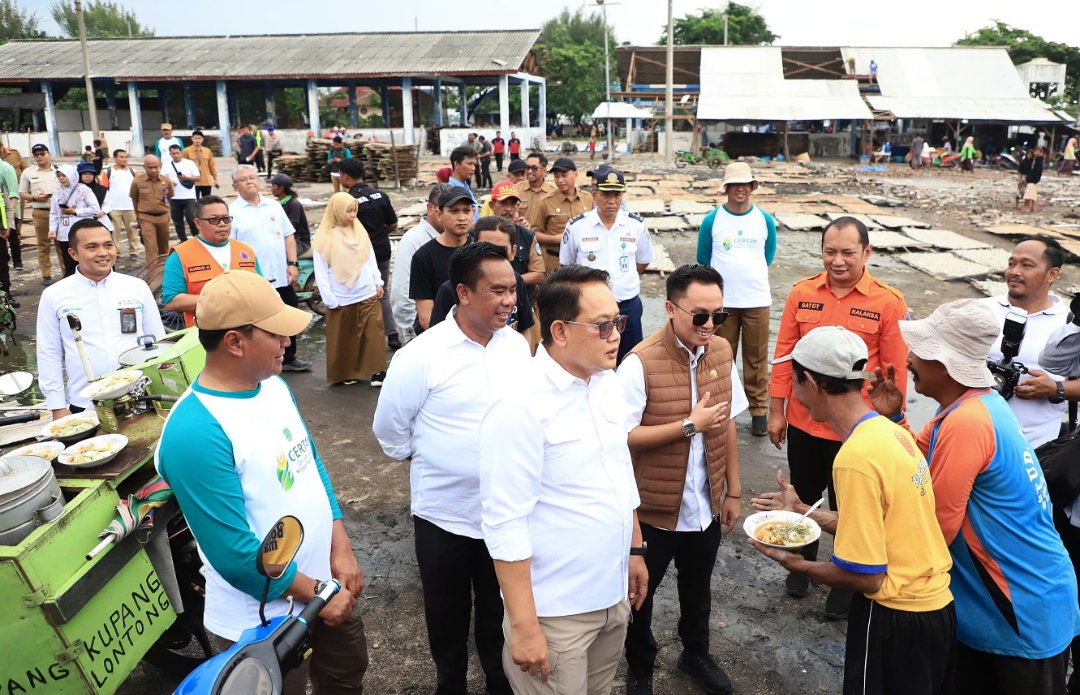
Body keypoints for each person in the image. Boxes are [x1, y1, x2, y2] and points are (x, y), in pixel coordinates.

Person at [156, 271, 368, 695]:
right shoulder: (196, 431)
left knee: (346, 676)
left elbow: (310, 465)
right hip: (263, 620)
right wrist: (318, 593)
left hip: (325, 586)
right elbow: (236, 555)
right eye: (276, 334)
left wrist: (340, 547)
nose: (288, 341)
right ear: (235, 342)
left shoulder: (273, 387)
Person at [868, 298, 1080, 695]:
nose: (909, 359)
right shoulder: (969, 405)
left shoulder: (967, 422)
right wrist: (894, 417)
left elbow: (934, 530)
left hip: (1020, 606)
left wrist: (853, 544)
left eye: (920, 351)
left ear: (946, 364)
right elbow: (914, 460)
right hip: (997, 605)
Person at [751, 325, 956, 695]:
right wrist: (802, 511)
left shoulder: (855, 459)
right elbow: (882, 525)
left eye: (793, 380)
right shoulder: (891, 431)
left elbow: (865, 577)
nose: (793, 392)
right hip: (935, 609)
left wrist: (795, 564)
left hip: (894, 616)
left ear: (810, 381)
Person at [478, 265, 647, 695]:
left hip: (611, 595)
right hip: (555, 613)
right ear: (560, 330)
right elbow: (504, 521)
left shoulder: (607, 382)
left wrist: (634, 550)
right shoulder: (519, 405)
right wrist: (524, 627)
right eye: (603, 325)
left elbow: (619, 472)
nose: (616, 335)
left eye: (619, 322)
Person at [373, 241, 530, 695]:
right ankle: (451, 681)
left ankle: (499, 678)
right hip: (444, 515)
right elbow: (390, 432)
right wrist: (439, 458)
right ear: (463, 292)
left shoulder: (516, 348)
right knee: (446, 612)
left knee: (499, 607)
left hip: (505, 511)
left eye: (513, 290)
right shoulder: (421, 356)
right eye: (497, 291)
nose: (510, 300)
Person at [767, 216, 909, 617]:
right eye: (830, 252)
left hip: (854, 431)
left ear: (867, 252)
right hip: (804, 421)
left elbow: (895, 374)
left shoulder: (888, 302)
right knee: (803, 494)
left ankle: (845, 581)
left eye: (848, 252)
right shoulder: (802, 293)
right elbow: (784, 356)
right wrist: (776, 411)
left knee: (851, 506)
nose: (838, 260)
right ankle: (801, 561)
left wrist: (893, 425)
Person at [619, 264, 745, 695]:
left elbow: (727, 422)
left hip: (704, 503)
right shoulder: (639, 363)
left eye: (719, 315)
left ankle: (695, 654)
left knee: (698, 588)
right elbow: (623, 437)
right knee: (640, 593)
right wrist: (688, 426)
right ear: (671, 308)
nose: (710, 325)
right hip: (653, 510)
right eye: (700, 315)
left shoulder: (721, 351)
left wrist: (733, 491)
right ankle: (640, 667)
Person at [37, 219, 164, 419]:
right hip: (85, 404)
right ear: (73, 254)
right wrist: (57, 406)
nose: (103, 253)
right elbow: (48, 352)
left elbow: (158, 342)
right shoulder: (54, 295)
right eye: (92, 247)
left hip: (140, 398)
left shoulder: (136, 287)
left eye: (108, 245)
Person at [698, 162, 777, 437]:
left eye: (745, 184)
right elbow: (703, 258)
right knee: (721, 357)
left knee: (757, 359)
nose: (740, 189)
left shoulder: (765, 220)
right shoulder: (712, 220)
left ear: (752, 187)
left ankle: (758, 412)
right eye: (735, 185)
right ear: (727, 188)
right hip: (723, 304)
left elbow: (768, 255)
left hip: (757, 300)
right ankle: (721, 409)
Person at [981, 236, 1073, 448]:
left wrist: (1056, 388)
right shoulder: (978, 309)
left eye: (1026, 265)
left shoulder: (1069, 326)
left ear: (1052, 274)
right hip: (972, 436)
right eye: (1011, 263)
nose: (1014, 271)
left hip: (1034, 447)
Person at [560, 167, 655, 363]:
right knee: (591, 360)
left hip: (627, 306)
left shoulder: (636, 226)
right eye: (606, 195)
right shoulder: (577, 227)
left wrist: (624, 280)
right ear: (595, 195)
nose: (612, 201)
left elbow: (643, 260)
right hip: (590, 308)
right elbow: (566, 266)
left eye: (617, 195)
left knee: (631, 360)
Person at [229, 164, 310, 372]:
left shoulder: (273, 206)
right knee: (261, 322)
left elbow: (288, 236)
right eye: (243, 179)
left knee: (289, 311)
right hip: (255, 280)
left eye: (252, 177)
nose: (249, 181)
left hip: (281, 276)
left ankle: (288, 357)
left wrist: (292, 264)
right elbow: (231, 247)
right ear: (234, 186)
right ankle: (262, 360)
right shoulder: (232, 212)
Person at [313, 192, 386, 386]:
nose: (353, 215)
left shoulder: (359, 231)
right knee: (345, 338)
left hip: (367, 291)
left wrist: (377, 282)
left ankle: (378, 371)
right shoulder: (324, 239)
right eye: (348, 211)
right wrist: (329, 299)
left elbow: (369, 258)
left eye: (354, 211)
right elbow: (321, 273)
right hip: (342, 297)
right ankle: (347, 372)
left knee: (374, 333)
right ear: (336, 212)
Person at [429, 217, 536, 343]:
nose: (508, 300)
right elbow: (436, 338)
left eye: (501, 251)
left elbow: (525, 329)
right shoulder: (450, 290)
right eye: (485, 250)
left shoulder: (517, 281)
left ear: (513, 252)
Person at [162, 195, 262, 328]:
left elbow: (263, 288)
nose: (222, 224)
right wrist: (222, 300)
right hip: (206, 334)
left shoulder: (245, 251)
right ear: (198, 223)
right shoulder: (180, 255)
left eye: (226, 218)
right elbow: (172, 301)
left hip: (249, 330)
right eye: (214, 219)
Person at [339, 159, 400, 349]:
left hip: (359, 254)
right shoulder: (380, 195)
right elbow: (393, 224)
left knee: (361, 294)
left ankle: (367, 338)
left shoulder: (348, 201)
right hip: (382, 249)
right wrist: (379, 234)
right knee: (382, 292)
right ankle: (392, 334)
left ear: (345, 176)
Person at [391, 184, 449, 343]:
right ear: (431, 209)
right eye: (449, 210)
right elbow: (401, 291)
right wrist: (412, 330)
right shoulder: (414, 241)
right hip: (423, 333)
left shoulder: (458, 240)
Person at [409, 188, 474, 333]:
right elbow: (426, 318)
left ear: (473, 213)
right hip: (441, 337)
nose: (462, 217)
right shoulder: (424, 257)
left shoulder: (479, 251)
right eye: (454, 211)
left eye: (466, 211)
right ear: (439, 215)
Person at [487, 181, 545, 299]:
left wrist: (507, 282)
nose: (508, 209)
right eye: (503, 203)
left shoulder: (527, 236)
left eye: (513, 204)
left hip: (521, 300)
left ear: (518, 206)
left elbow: (539, 274)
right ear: (492, 205)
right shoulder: (480, 234)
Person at [536, 158, 594, 273]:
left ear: (576, 174)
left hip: (583, 261)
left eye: (564, 175)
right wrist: (556, 239)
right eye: (556, 176)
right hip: (555, 261)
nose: (560, 180)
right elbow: (534, 234)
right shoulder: (545, 202)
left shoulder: (588, 199)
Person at [50, 164, 105, 277]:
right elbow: (54, 213)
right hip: (64, 232)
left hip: (82, 231)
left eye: (64, 175)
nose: (61, 178)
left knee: (84, 258)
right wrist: (52, 229)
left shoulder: (84, 190)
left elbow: (95, 209)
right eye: (59, 176)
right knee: (69, 261)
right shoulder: (57, 192)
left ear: (71, 175)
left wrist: (75, 212)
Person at [19, 143, 62, 285]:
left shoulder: (59, 171)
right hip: (41, 212)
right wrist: (34, 197)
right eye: (36, 155)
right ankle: (46, 274)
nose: (39, 157)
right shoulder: (28, 173)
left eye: (42, 154)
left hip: (60, 212)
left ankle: (67, 272)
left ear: (48, 154)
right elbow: (22, 193)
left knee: (62, 243)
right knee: (43, 244)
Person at [130, 155, 175, 266]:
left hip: (163, 216)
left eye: (156, 167)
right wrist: (138, 217)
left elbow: (169, 196)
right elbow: (135, 199)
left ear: (160, 166)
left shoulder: (166, 181)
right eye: (150, 167)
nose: (153, 170)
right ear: (144, 167)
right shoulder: (137, 181)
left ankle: (164, 270)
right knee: (150, 247)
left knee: (164, 246)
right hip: (146, 217)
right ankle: (153, 273)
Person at [100, 149, 143, 261]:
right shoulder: (108, 172)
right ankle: (116, 252)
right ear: (115, 158)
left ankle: (134, 251)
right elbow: (103, 189)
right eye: (121, 157)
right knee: (114, 232)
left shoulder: (133, 172)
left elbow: (138, 189)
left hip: (130, 207)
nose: (124, 159)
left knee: (132, 231)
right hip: (114, 207)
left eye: (125, 157)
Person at [269, 174, 312, 256]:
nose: (271, 188)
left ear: (281, 188)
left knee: (275, 252)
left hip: (299, 242)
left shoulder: (294, 205)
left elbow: (291, 229)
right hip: (285, 238)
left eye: (273, 186)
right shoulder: (278, 203)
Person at [0, 140, 27, 269]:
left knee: (12, 235)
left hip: (9, 206)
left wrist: (13, 208)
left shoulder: (6, 167)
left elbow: (13, 190)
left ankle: (17, 261)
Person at [164, 144, 200, 242]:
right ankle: (183, 240)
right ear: (170, 154)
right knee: (177, 221)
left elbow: (198, 177)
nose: (176, 155)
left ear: (181, 152)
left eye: (177, 153)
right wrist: (170, 183)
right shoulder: (166, 165)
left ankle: (197, 239)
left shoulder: (189, 163)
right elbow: (162, 179)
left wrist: (186, 178)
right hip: (174, 197)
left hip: (189, 197)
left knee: (192, 218)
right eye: (173, 153)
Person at [515, 153, 555, 231]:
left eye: (534, 168)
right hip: (520, 236)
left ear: (544, 171)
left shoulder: (553, 193)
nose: (530, 171)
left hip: (543, 238)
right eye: (527, 168)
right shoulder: (516, 189)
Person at [0, 153, 21, 288]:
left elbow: (7, 207)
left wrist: (7, 226)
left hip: (1, 230)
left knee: (2, 264)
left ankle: (5, 294)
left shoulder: (1, 184)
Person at [182, 130, 219, 198]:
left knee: (206, 200)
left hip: (206, 180)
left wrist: (215, 179)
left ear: (202, 139)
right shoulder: (186, 151)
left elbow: (212, 166)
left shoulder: (207, 151)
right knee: (194, 200)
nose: (197, 140)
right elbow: (183, 165)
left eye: (199, 138)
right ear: (192, 139)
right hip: (193, 181)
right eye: (195, 138)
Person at [447, 145, 479, 222]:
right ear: (456, 164)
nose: (473, 168)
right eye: (469, 164)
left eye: (474, 165)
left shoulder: (466, 187)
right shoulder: (450, 191)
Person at [1022, 147, 1044, 213]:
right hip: (1031, 179)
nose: (1035, 153)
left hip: (1033, 179)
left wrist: (1034, 178)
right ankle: (1033, 207)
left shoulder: (1039, 161)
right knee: (1033, 193)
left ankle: (1027, 207)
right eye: (1035, 151)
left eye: (1037, 151)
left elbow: (1038, 171)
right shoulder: (1035, 160)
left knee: (1029, 194)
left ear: (1040, 152)